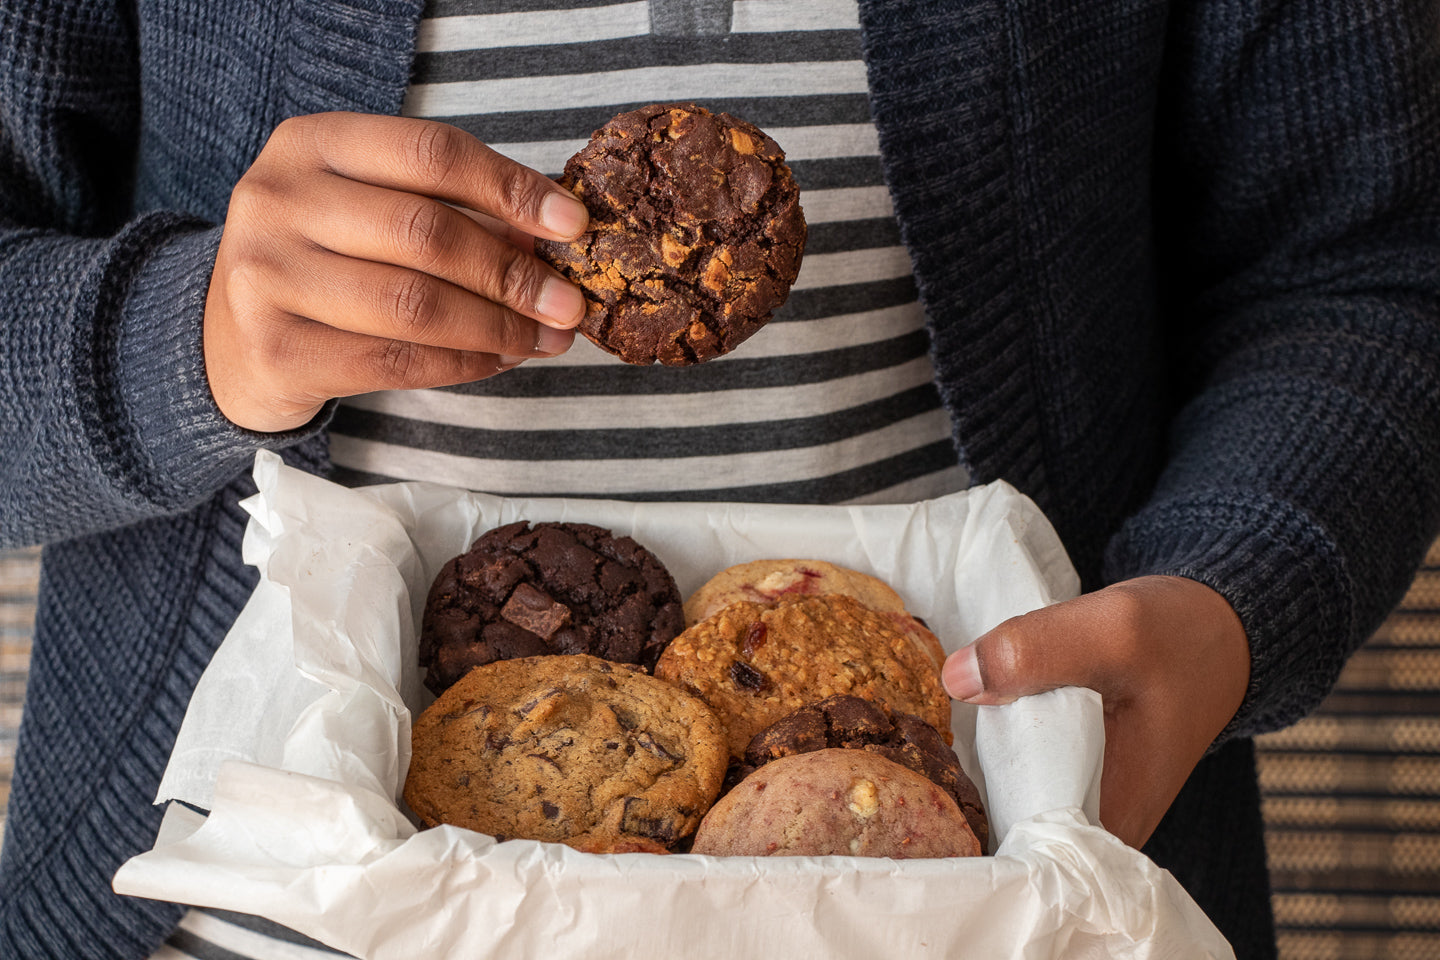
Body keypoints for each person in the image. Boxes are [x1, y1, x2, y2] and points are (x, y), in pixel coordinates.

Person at [1, 0, 1436, 958]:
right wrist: (174, 339)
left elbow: (1364, 265)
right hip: (251, 913)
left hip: (1004, 896)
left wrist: (1236, 583)